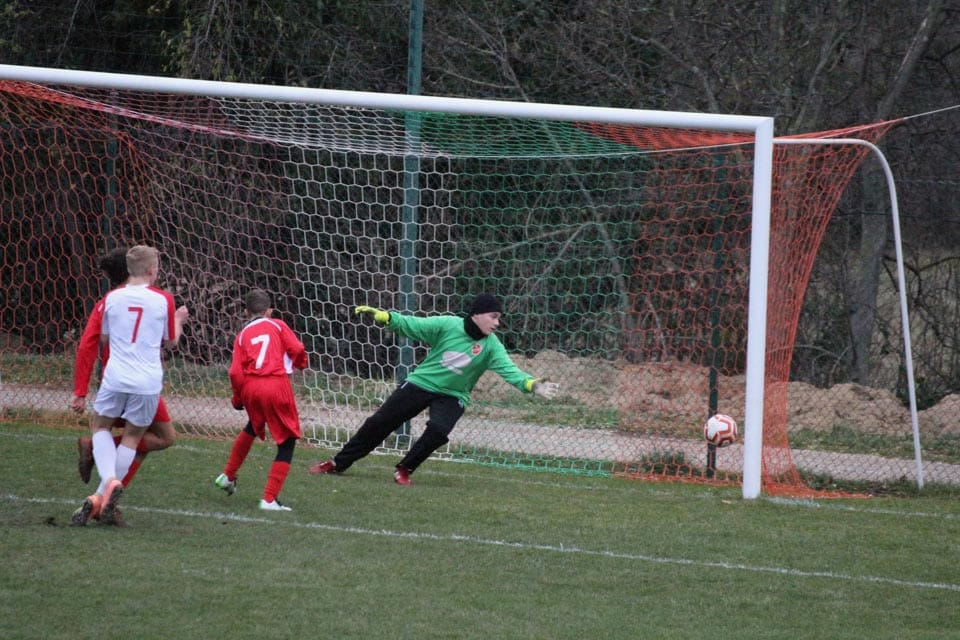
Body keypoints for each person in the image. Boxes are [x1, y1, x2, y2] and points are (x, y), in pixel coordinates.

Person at [308, 293, 560, 485]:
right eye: (493, 316)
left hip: (454, 395)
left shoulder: (492, 346)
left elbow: (510, 371)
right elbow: (413, 325)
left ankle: (404, 468)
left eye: (498, 318)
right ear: (477, 314)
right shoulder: (448, 325)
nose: (497, 323)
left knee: (439, 430)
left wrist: (533, 385)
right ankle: (337, 463)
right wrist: (388, 318)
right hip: (422, 383)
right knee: (380, 422)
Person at [71, 245, 188, 526]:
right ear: (151, 270)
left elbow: (95, 341)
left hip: (115, 378)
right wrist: (177, 321)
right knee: (141, 440)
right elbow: (171, 341)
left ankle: (103, 489)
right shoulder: (163, 299)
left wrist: (80, 391)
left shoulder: (110, 299)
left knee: (102, 427)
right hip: (146, 382)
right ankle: (103, 498)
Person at [214, 288, 308, 511]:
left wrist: (238, 397)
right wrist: (301, 363)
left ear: (246, 313)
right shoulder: (277, 325)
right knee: (287, 441)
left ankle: (228, 475)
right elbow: (297, 348)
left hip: (251, 387)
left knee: (252, 426)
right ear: (269, 311)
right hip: (275, 384)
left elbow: (235, 371)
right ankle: (269, 499)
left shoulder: (242, 336)